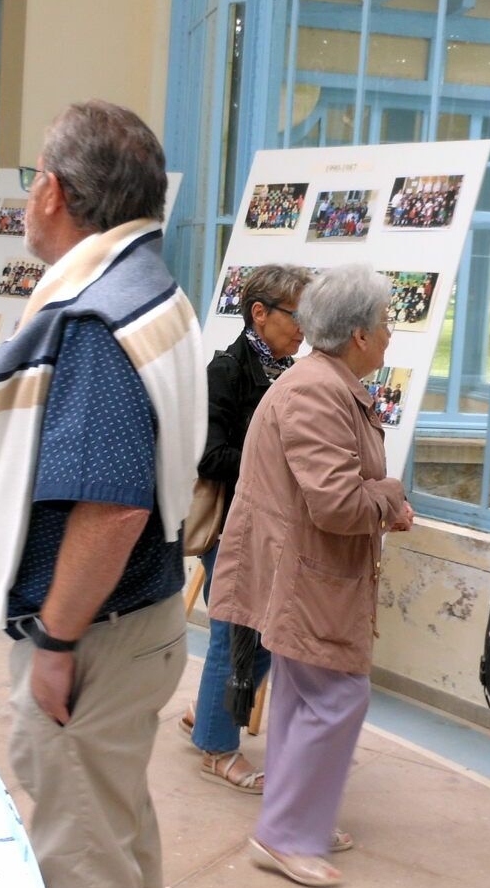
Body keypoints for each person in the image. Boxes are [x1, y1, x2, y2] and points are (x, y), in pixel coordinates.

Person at [0, 100, 206, 888]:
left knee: (80, 851)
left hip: (96, 633)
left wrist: (58, 646)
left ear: (53, 192)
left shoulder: (97, 316)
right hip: (133, 618)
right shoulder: (146, 285)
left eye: (35, 175)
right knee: (112, 822)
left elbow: (112, 509)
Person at [209, 263, 414, 888]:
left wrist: (377, 498)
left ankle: (296, 821)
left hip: (312, 573)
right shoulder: (318, 391)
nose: (388, 337)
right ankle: (286, 833)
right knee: (334, 698)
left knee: (307, 699)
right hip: (308, 576)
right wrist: (390, 495)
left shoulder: (325, 383)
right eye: (384, 325)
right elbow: (337, 502)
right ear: (357, 334)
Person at [180, 263, 310, 794]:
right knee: (234, 637)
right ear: (260, 313)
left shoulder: (289, 370)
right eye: (297, 315)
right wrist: (280, 465)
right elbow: (209, 456)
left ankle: (211, 715)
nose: (305, 327)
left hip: (273, 528)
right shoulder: (228, 370)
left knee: (262, 641)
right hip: (234, 526)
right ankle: (216, 748)